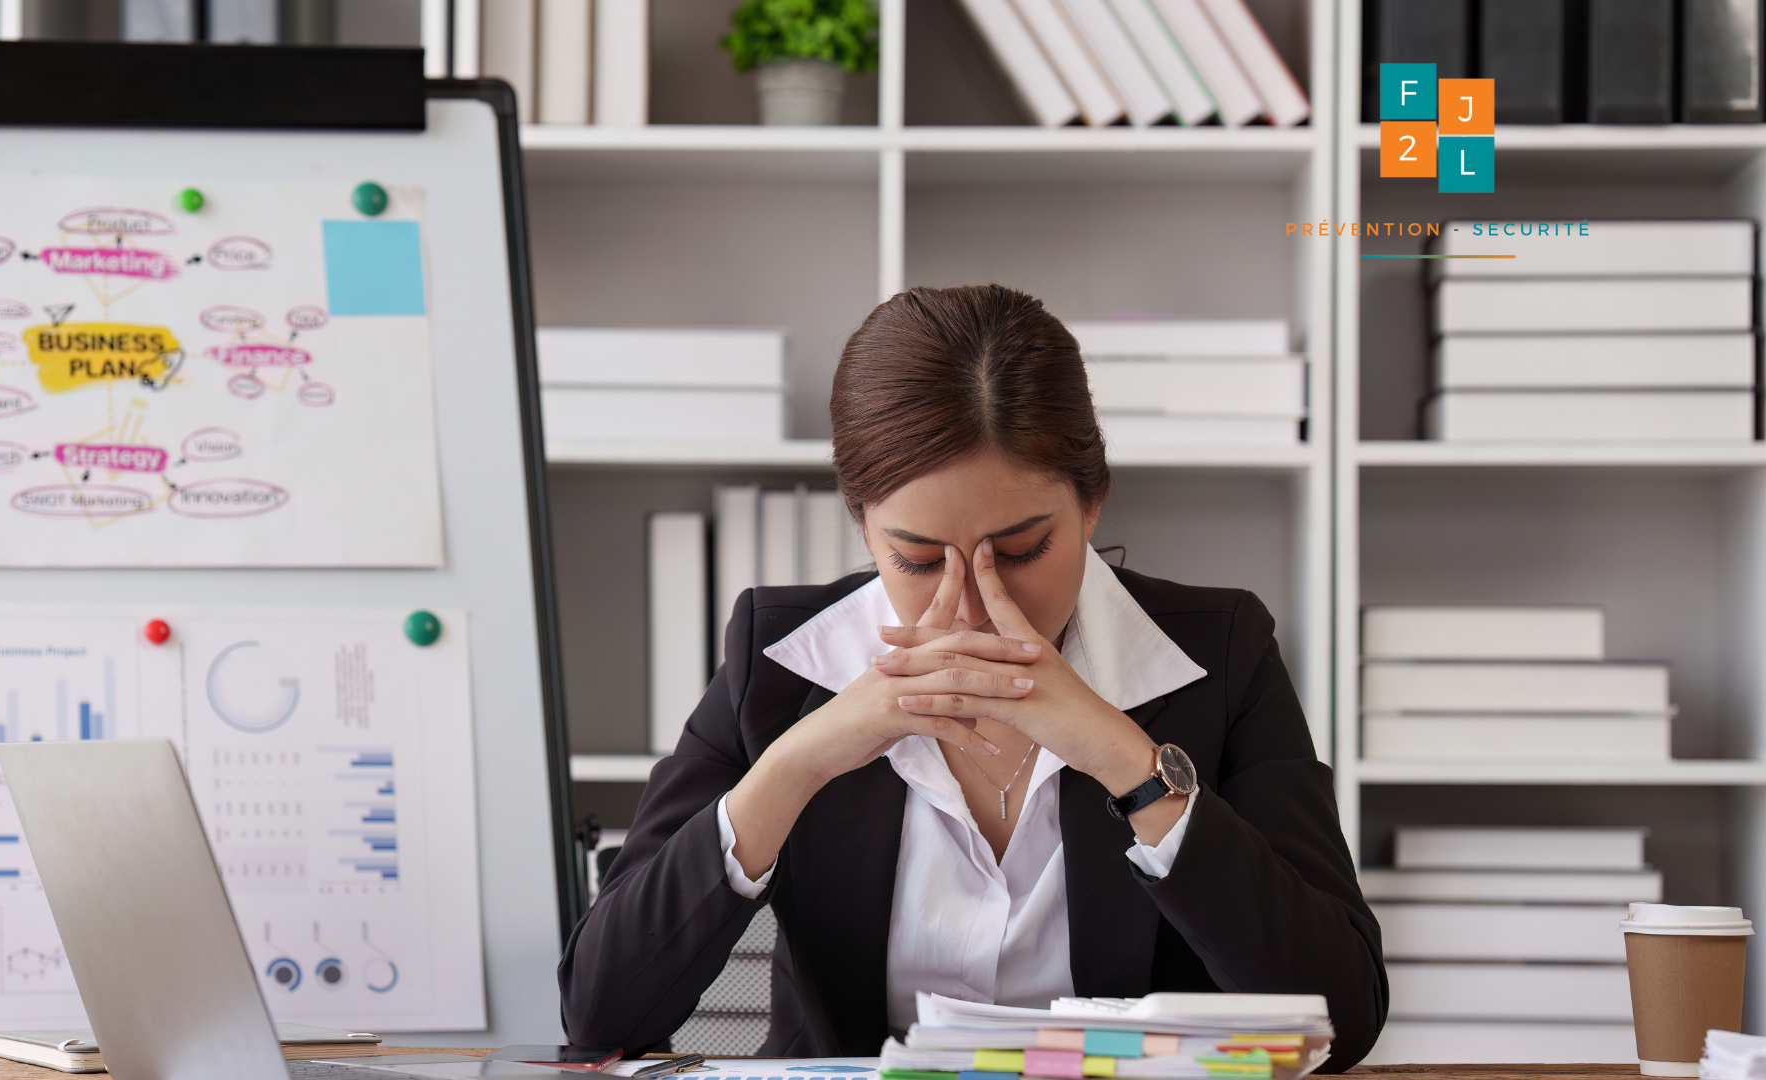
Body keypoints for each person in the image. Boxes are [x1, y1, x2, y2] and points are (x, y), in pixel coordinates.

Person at [558, 285, 1386, 1069]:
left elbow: (1342, 1018)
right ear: (862, 524)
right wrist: (799, 762)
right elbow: (601, 1014)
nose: (973, 604)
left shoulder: (1222, 653)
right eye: (916, 560)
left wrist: (1128, 765)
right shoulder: (777, 661)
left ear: (1093, 503)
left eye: (1022, 551)